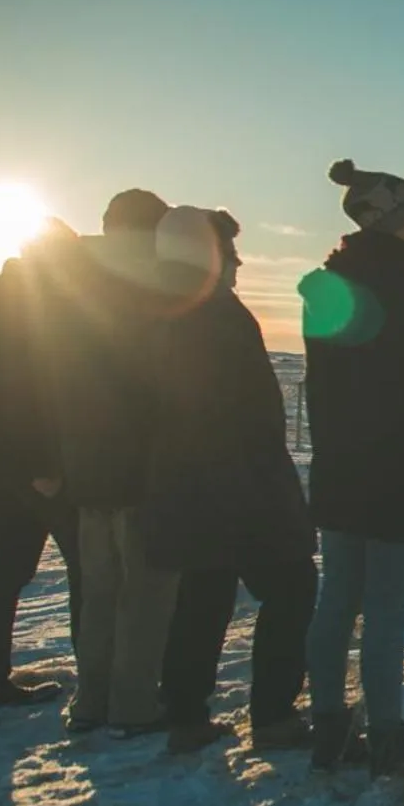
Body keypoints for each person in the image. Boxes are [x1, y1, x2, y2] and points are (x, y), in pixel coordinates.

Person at [300, 159, 404, 777]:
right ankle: (384, 740)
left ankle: (327, 729)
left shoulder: (327, 286)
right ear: (397, 220)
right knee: (386, 615)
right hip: (400, 475)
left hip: (342, 470)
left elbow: (322, 391)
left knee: (337, 603)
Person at [143, 208, 318, 755]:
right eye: (229, 252)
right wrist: (263, 483)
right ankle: (272, 716)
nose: (238, 263)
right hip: (238, 486)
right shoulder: (208, 312)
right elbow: (230, 410)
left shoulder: (159, 308)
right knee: (292, 588)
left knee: (203, 596)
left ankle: (186, 714)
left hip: (192, 485)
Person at [41, 188, 184, 738]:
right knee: (144, 597)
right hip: (142, 469)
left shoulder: (72, 283)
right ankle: (133, 707)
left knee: (97, 593)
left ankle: (90, 701)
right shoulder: (151, 286)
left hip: (87, 466)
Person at [0, 220, 82, 710]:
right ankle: (99, 680)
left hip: (1, 463)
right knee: (84, 568)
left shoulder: (5, 302)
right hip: (35, 468)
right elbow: (27, 392)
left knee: (2, 573)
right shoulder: (31, 306)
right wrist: (44, 466)